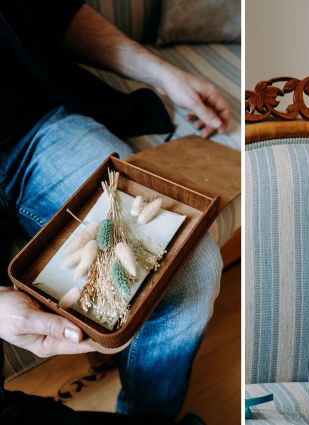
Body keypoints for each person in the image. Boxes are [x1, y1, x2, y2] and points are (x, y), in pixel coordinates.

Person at [0, 0, 226, 423]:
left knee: (189, 268)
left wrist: (163, 73)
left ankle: (149, 415)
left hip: (34, 126)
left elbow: (55, 14)